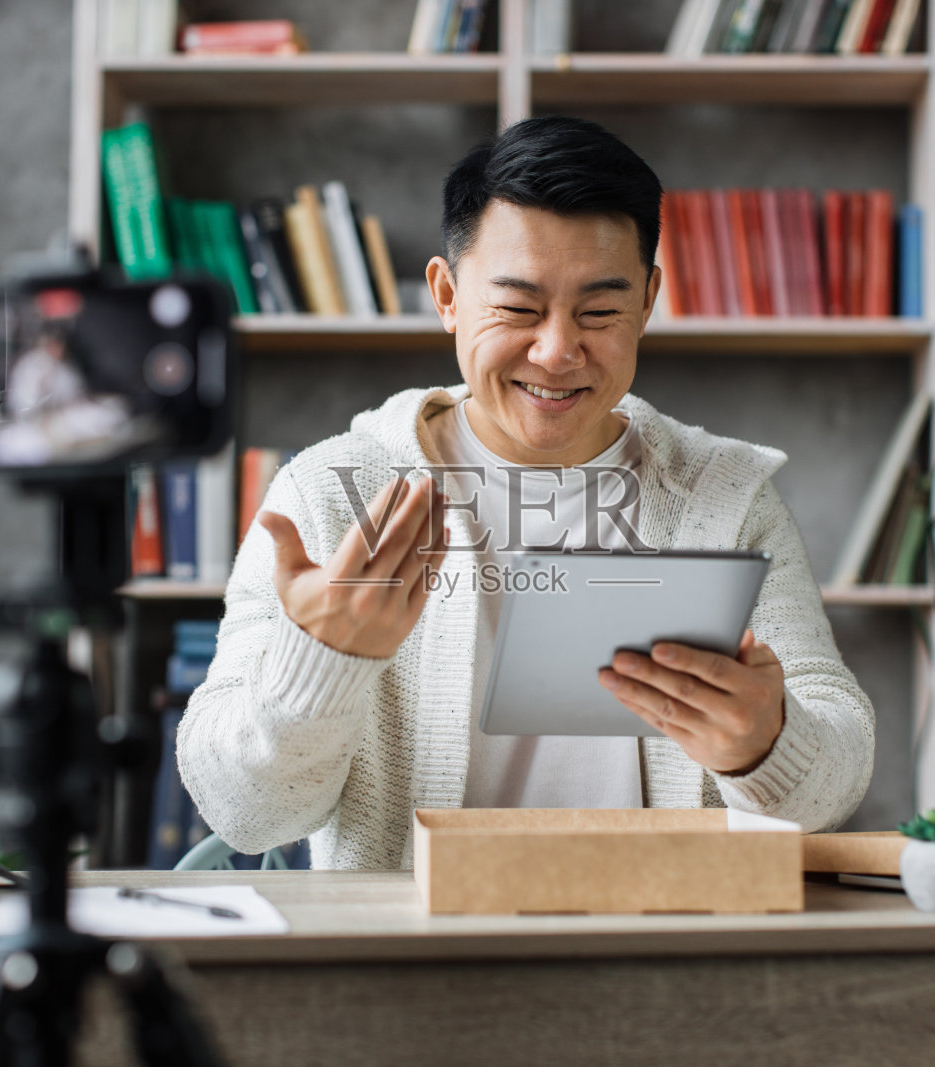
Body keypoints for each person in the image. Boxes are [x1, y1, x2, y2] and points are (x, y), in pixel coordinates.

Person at [177, 116, 874, 869]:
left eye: (601, 311)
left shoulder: (726, 497)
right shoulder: (333, 492)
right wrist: (320, 664)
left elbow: (835, 784)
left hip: (665, 942)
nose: (557, 351)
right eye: (517, 308)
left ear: (648, 301)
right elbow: (244, 814)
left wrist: (763, 744)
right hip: (413, 954)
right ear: (446, 296)